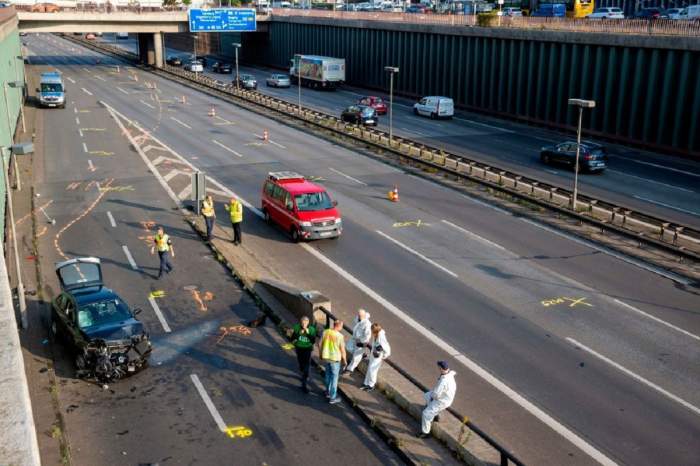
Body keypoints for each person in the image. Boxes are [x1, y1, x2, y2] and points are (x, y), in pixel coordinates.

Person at [417, 361, 457, 438]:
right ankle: (435, 415)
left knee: (426, 414)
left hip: (442, 401)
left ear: (440, 368)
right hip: (445, 397)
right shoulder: (449, 375)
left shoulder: (443, 381)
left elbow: (436, 394)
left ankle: (425, 433)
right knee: (427, 395)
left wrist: (433, 398)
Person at [318, 320, 346, 405]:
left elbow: (319, 344)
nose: (342, 328)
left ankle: (327, 392)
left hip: (327, 357)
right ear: (338, 326)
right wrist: (345, 360)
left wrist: (320, 354)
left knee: (327, 375)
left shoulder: (325, 332)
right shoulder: (340, 336)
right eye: (342, 326)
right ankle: (333, 398)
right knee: (334, 379)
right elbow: (342, 350)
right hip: (335, 359)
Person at [361, 323, 390, 392]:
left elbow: (386, 347)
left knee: (372, 370)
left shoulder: (381, 337)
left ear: (375, 331)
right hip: (373, 354)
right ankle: (366, 383)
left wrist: (385, 355)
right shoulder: (376, 335)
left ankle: (371, 385)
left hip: (377, 356)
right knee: (370, 369)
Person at [291, 316, 317, 394]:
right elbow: (292, 338)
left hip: (307, 349)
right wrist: (299, 334)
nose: (304, 324)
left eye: (305, 323)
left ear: (308, 323)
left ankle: (304, 383)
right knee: (301, 363)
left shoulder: (312, 329)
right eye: (302, 323)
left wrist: (308, 333)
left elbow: (313, 341)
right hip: (299, 348)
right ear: (300, 322)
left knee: (306, 366)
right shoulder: (296, 327)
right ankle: (303, 371)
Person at [343, 309, 371, 374]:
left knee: (356, 357)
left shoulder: (367, 324)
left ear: (363, 315)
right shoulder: (358, 318)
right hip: (354, 338)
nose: (358, 316)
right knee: (348, 348)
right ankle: (362, 355)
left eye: (360, 315)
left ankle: (350, 369)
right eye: (358, 315)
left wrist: (363, 342)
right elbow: (355, 323)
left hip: (360, 341)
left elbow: (367, 335)